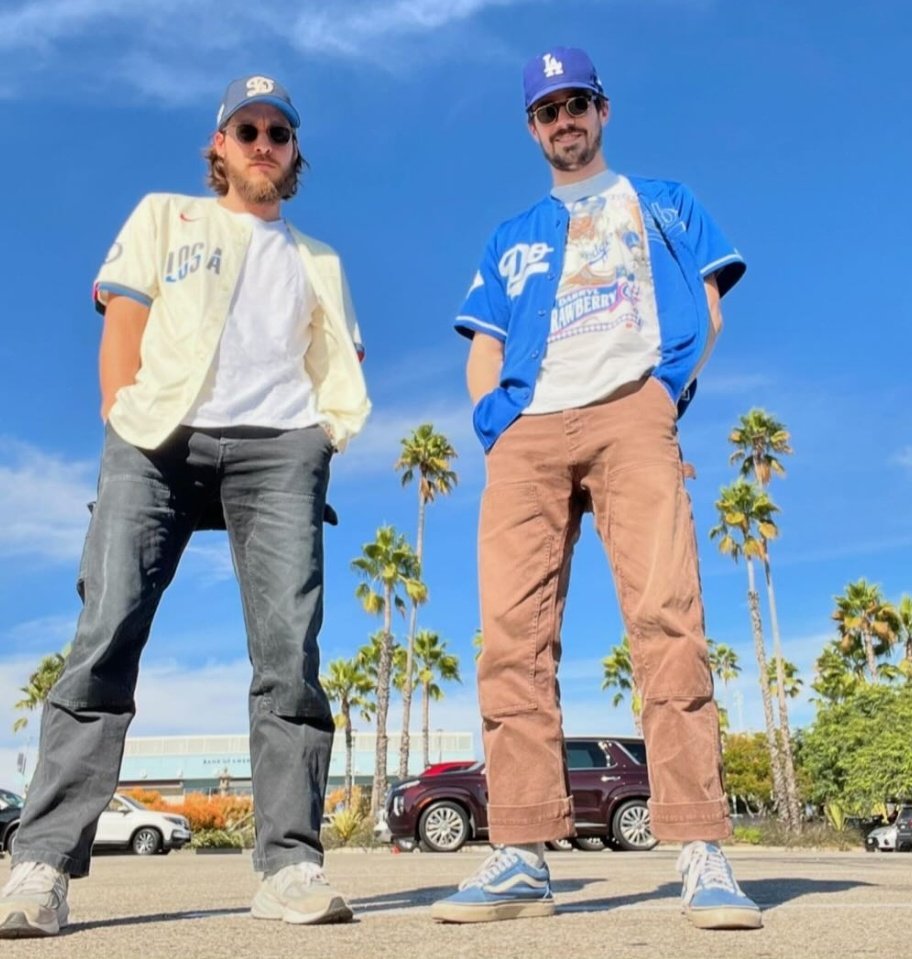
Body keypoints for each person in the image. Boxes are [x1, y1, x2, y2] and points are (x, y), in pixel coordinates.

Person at [0, 74, 369, 938]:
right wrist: (119, 418)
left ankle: (289, 865)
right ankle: (41, 866)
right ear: (220, 146)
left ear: (293, 151)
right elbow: (123, 317)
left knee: (288, 655)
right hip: (158, 441)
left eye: (279, 131)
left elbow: (337, 356)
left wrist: (323, 436)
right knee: (106, 636)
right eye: (248, 129)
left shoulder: (321, 259)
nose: (264, 143)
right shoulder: (166, 217)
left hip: (278, 449)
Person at [432, 47, 760, 931]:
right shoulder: (511, 234)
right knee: (512, 640)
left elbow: (710, 302)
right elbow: (484, 344)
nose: (563, 120)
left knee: (667, 619)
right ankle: (523, 853)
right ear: (533, 127)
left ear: (602, 111)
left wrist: (662, 395)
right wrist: (497, 427)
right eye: (547, 110)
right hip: (529, 435)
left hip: (632, 415)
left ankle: (699, 843)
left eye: (576, 103)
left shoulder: (664, 201)